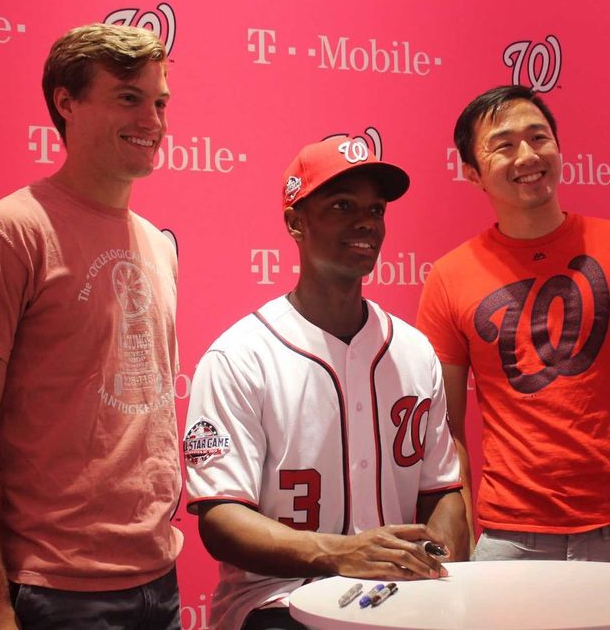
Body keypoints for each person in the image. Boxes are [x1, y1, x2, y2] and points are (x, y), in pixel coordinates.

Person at [0, 23, 182, 630]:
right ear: (66, 103)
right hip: (54, 590)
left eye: (160, 102)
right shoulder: (6, 232)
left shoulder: (157, 244)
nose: (152, 120)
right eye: (128, 97)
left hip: (158, 579)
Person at [416, 85, 610, 577]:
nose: (527, 155)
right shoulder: (448, 278)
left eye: (539, 137)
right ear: (472, 172)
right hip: (510, 538)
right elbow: (447, 431)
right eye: (503, 145)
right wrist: (463, 544)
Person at [183, 135, 470, 630]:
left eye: (375, 210)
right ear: (296, 222)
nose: (366, 222)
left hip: (399, 600)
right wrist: (343, 553)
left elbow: (441, 490)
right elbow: (221, 520)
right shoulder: (241, 356)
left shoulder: (414, 350)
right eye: (342, 205)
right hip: (278, 602)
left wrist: (434, 566)